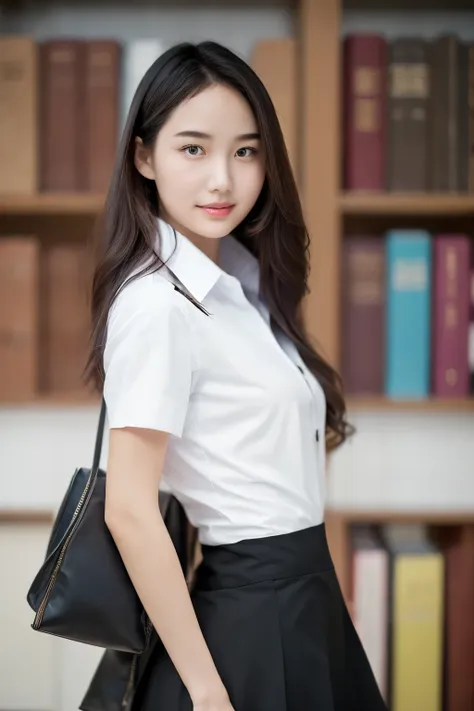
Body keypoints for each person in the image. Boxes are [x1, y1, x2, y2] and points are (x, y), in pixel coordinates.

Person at [85, 41, 386, 711]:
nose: (223, 179)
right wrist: (205, 687)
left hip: (307, 600)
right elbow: (130, 511)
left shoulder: (245, 288)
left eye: (246, 151)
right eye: (193, 149)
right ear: (144, 156)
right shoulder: (157, 306)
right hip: (249, 621)